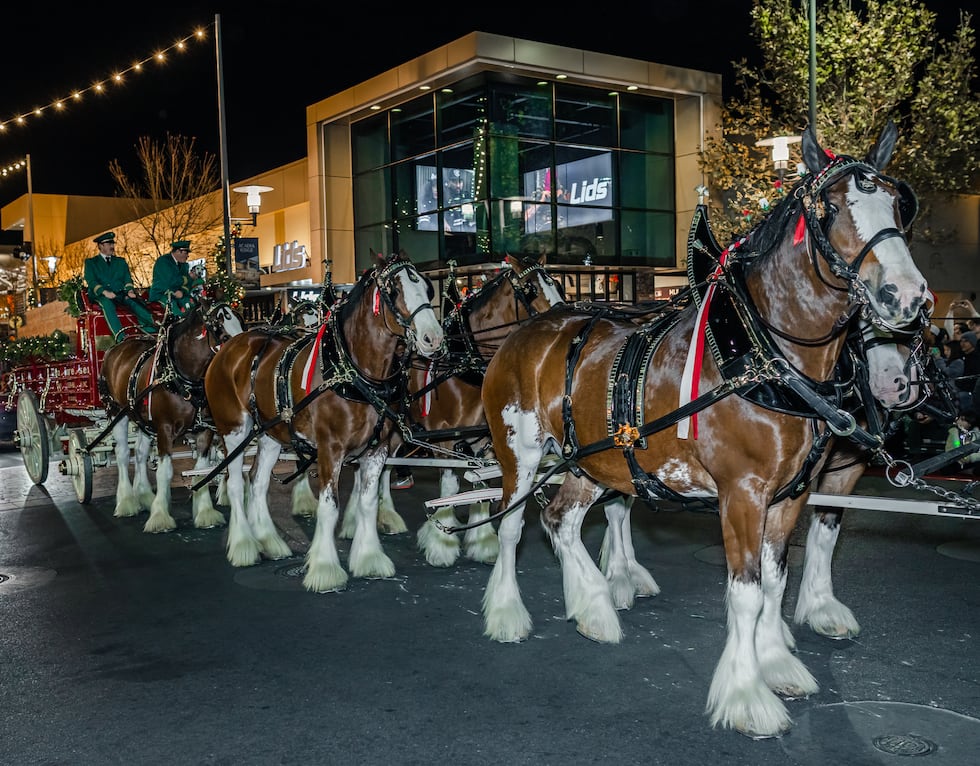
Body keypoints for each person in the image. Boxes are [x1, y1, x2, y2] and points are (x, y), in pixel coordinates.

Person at [83, 231, 156, 340]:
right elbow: (91, 281)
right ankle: (120, 338)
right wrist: (104, 292)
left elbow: (127, 278)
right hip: (101, 295)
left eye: (112, 244)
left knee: (135, 303)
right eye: (109, 244)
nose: (112, 246)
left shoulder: (120, 262)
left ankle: (151, 331)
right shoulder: (91, 262)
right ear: (100, 246)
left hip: (120, 293)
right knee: (107, 305)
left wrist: (130, 290)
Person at [149, 240, 204, 319]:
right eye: (186, 253)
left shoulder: (184, 265)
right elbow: (170, 281)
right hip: (161, 294)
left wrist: (182, 291)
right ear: (178, 251)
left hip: (179, 295)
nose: (187, 256)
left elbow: (186, 285)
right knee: (176, 313)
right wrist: (188, 277)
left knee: (192, 305)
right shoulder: (163, 261)